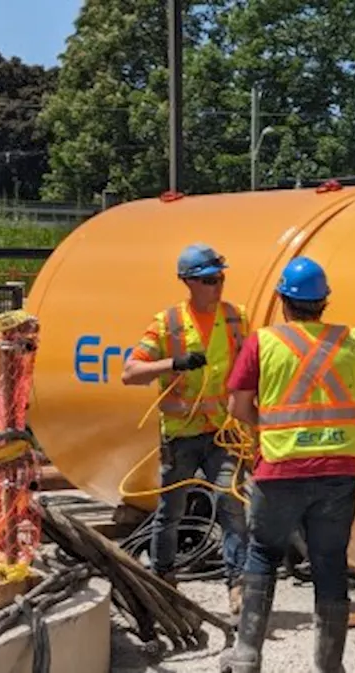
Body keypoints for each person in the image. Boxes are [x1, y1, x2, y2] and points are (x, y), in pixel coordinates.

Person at [219, 256, 355, 673]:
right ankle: (330, 666)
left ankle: (246, 656)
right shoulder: (353, 341)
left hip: (281, 470)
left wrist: (266, 427)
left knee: (263, 553)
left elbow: (237, 406)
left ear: (283, 301)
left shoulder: (264, 342)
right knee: (329, 561)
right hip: (338, 472)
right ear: (324, 301)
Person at [121, 243, 251, 616]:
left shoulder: (236, 318)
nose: (218, 286)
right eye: (210, 280)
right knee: (171, 511)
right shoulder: (167, 323)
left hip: (222, 434)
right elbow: (130, 373)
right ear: (188, 282)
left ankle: (237, 585)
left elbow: (249, 367)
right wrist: (174, 363)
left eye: (221, 278)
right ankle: (163, 578)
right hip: (181, 435)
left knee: (231, 504)